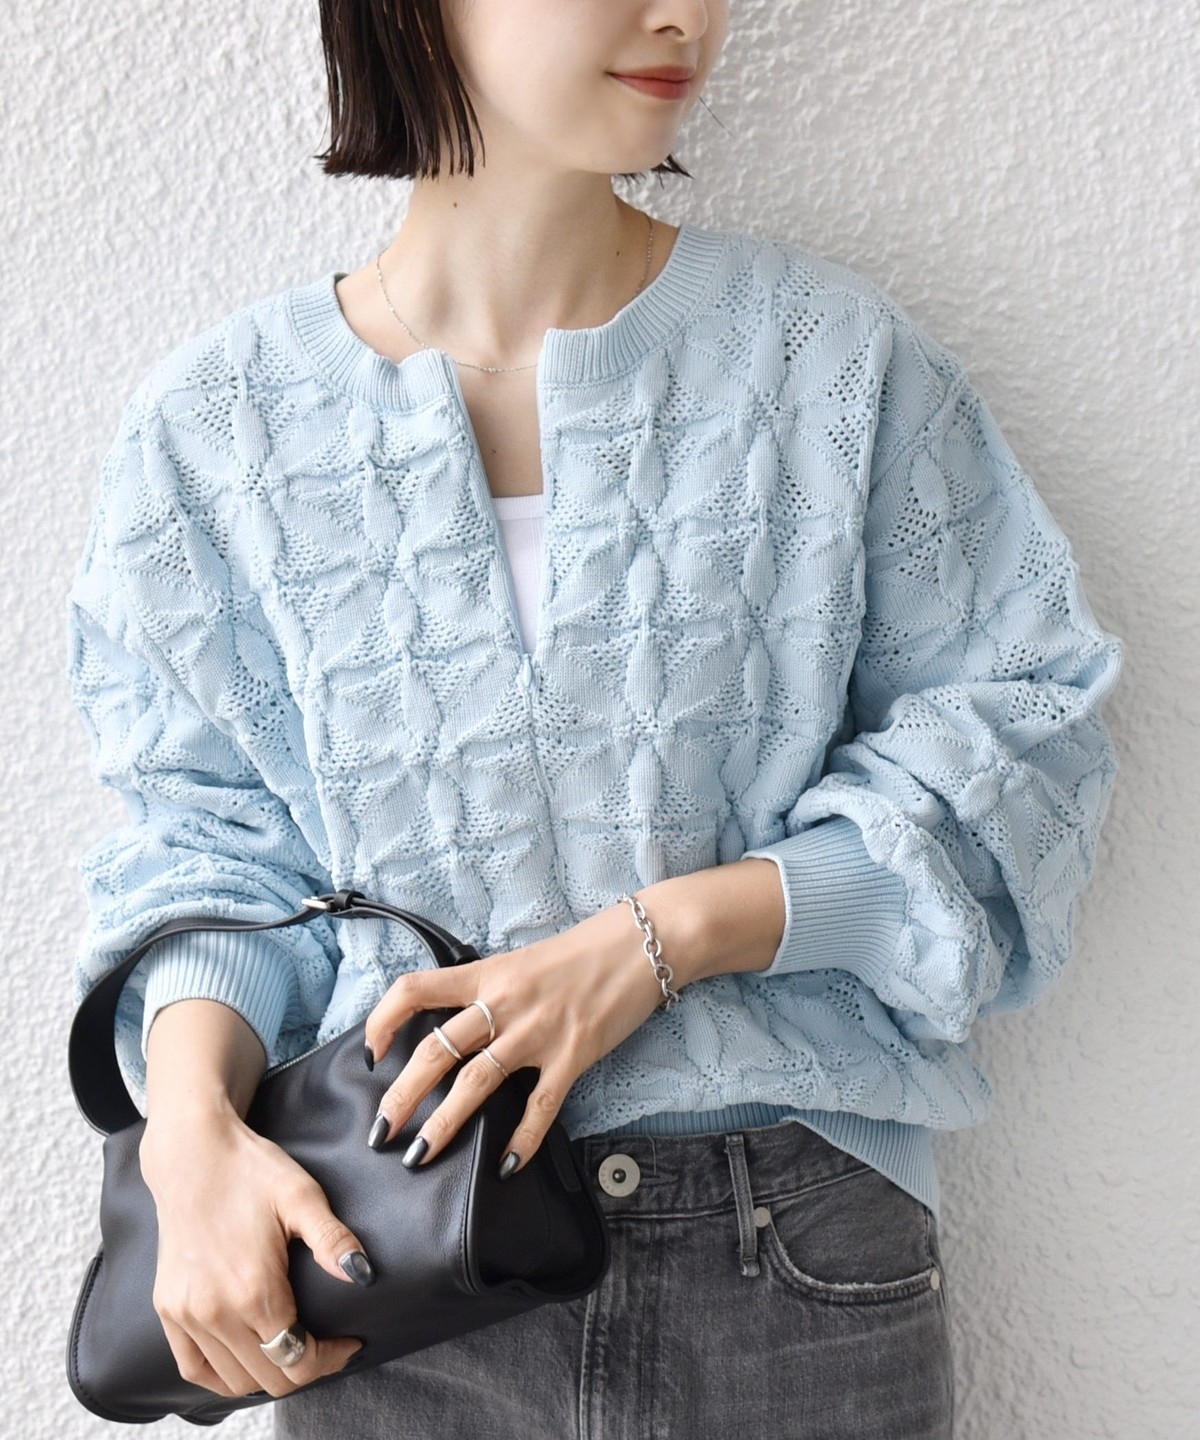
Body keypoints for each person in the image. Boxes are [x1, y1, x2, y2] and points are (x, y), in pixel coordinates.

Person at [65, 2, 1124, 1437]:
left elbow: (1023, 739)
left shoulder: (828, 362)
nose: (683, 14)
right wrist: (189, 1128)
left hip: (786, 1247)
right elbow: (209, 848)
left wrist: (665, 938)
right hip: (394, 1266)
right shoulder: (213, 431)